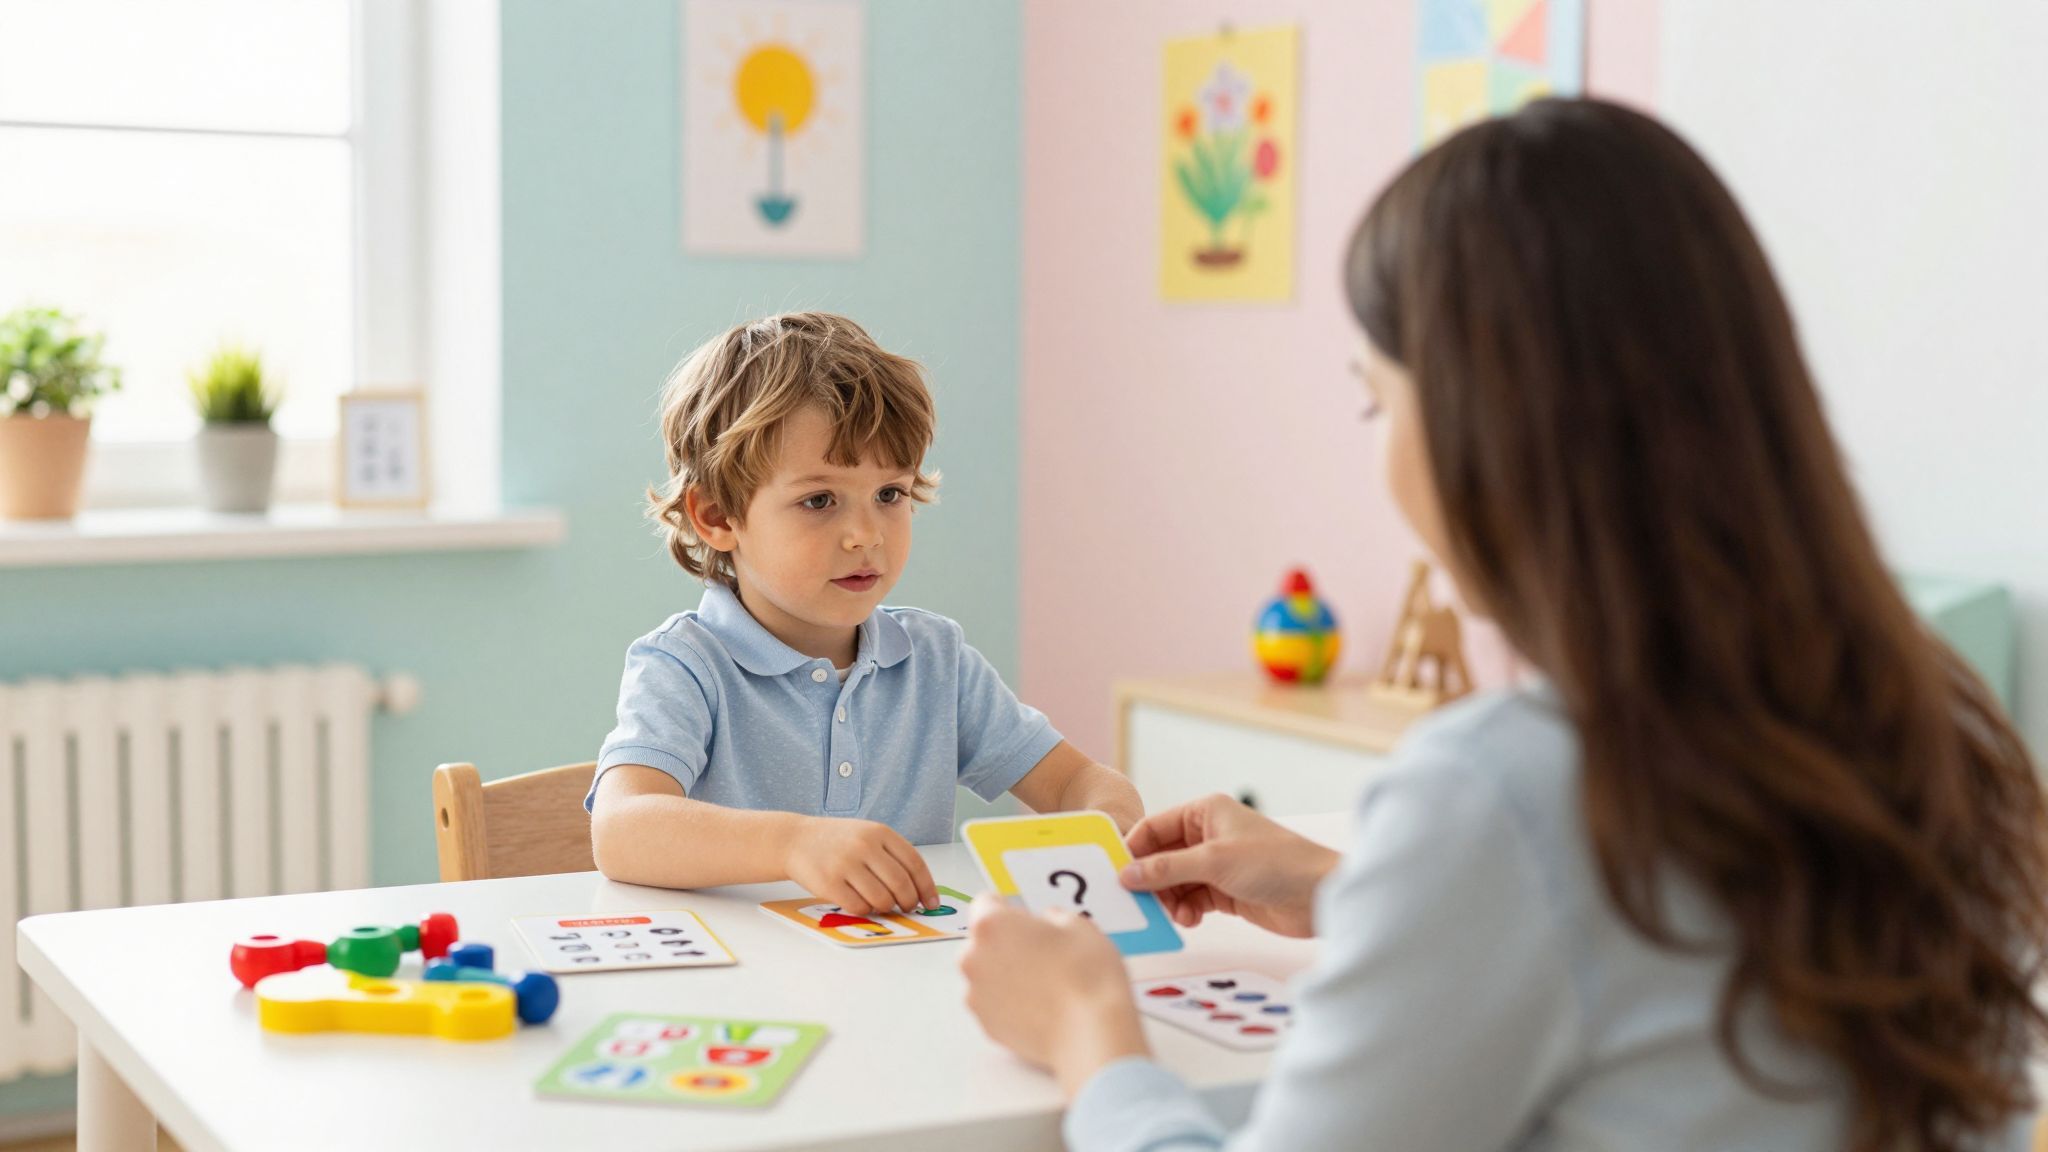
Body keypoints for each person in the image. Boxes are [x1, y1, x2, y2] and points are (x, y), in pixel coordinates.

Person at [960, 100, 2045, 1152]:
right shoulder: (1935, 724)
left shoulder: (1505, 786)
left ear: (1477, 422)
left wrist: (1089, 1038)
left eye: (1376, 401)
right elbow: (1655, 968)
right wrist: (1358, 894)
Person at [588, 311, 1142, 916]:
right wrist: (794, 844)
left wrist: (1112, 822)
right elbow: (621, 829)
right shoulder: (685, 666)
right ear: (717, 517)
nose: (866, 534)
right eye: (819, 500)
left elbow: (1075, 782)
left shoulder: (937, 660)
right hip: (750, 962)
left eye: (889, 494)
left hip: (905, 962)